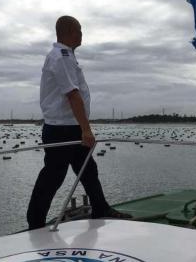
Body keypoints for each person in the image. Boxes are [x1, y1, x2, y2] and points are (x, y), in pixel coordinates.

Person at [27, 15, 131, 229]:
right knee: (53, 176)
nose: (82, 34)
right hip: (62, 129)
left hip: (70, 127)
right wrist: (86, 130)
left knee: (88, 170)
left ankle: (100, 208)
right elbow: (72, 95)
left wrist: (82, 128)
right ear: (68, 32)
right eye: (79, 30)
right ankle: (35, 223)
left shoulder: (66, 56)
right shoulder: (61, 56)